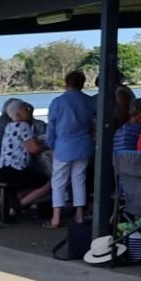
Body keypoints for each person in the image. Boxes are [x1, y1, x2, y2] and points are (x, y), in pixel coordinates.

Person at [44, 70, 98, 228]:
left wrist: (51, 144)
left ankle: (56, 217)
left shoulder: (58, 102)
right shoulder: (89, 101)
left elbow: (52, 127)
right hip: (84, 144)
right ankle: (79, 215)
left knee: (59, 181)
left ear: (66, 83)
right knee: (79, 179)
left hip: (64, 145)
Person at [0, 98, 50, 220]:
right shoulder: (24, 126)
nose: (29, 111)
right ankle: (16, 207)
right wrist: (47, 145)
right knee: (47, 183)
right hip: (15, 169)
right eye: (25, 109)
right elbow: (34, 149)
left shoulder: (9, 126)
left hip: (0, 169)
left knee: (23, 184)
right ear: (18, 114)